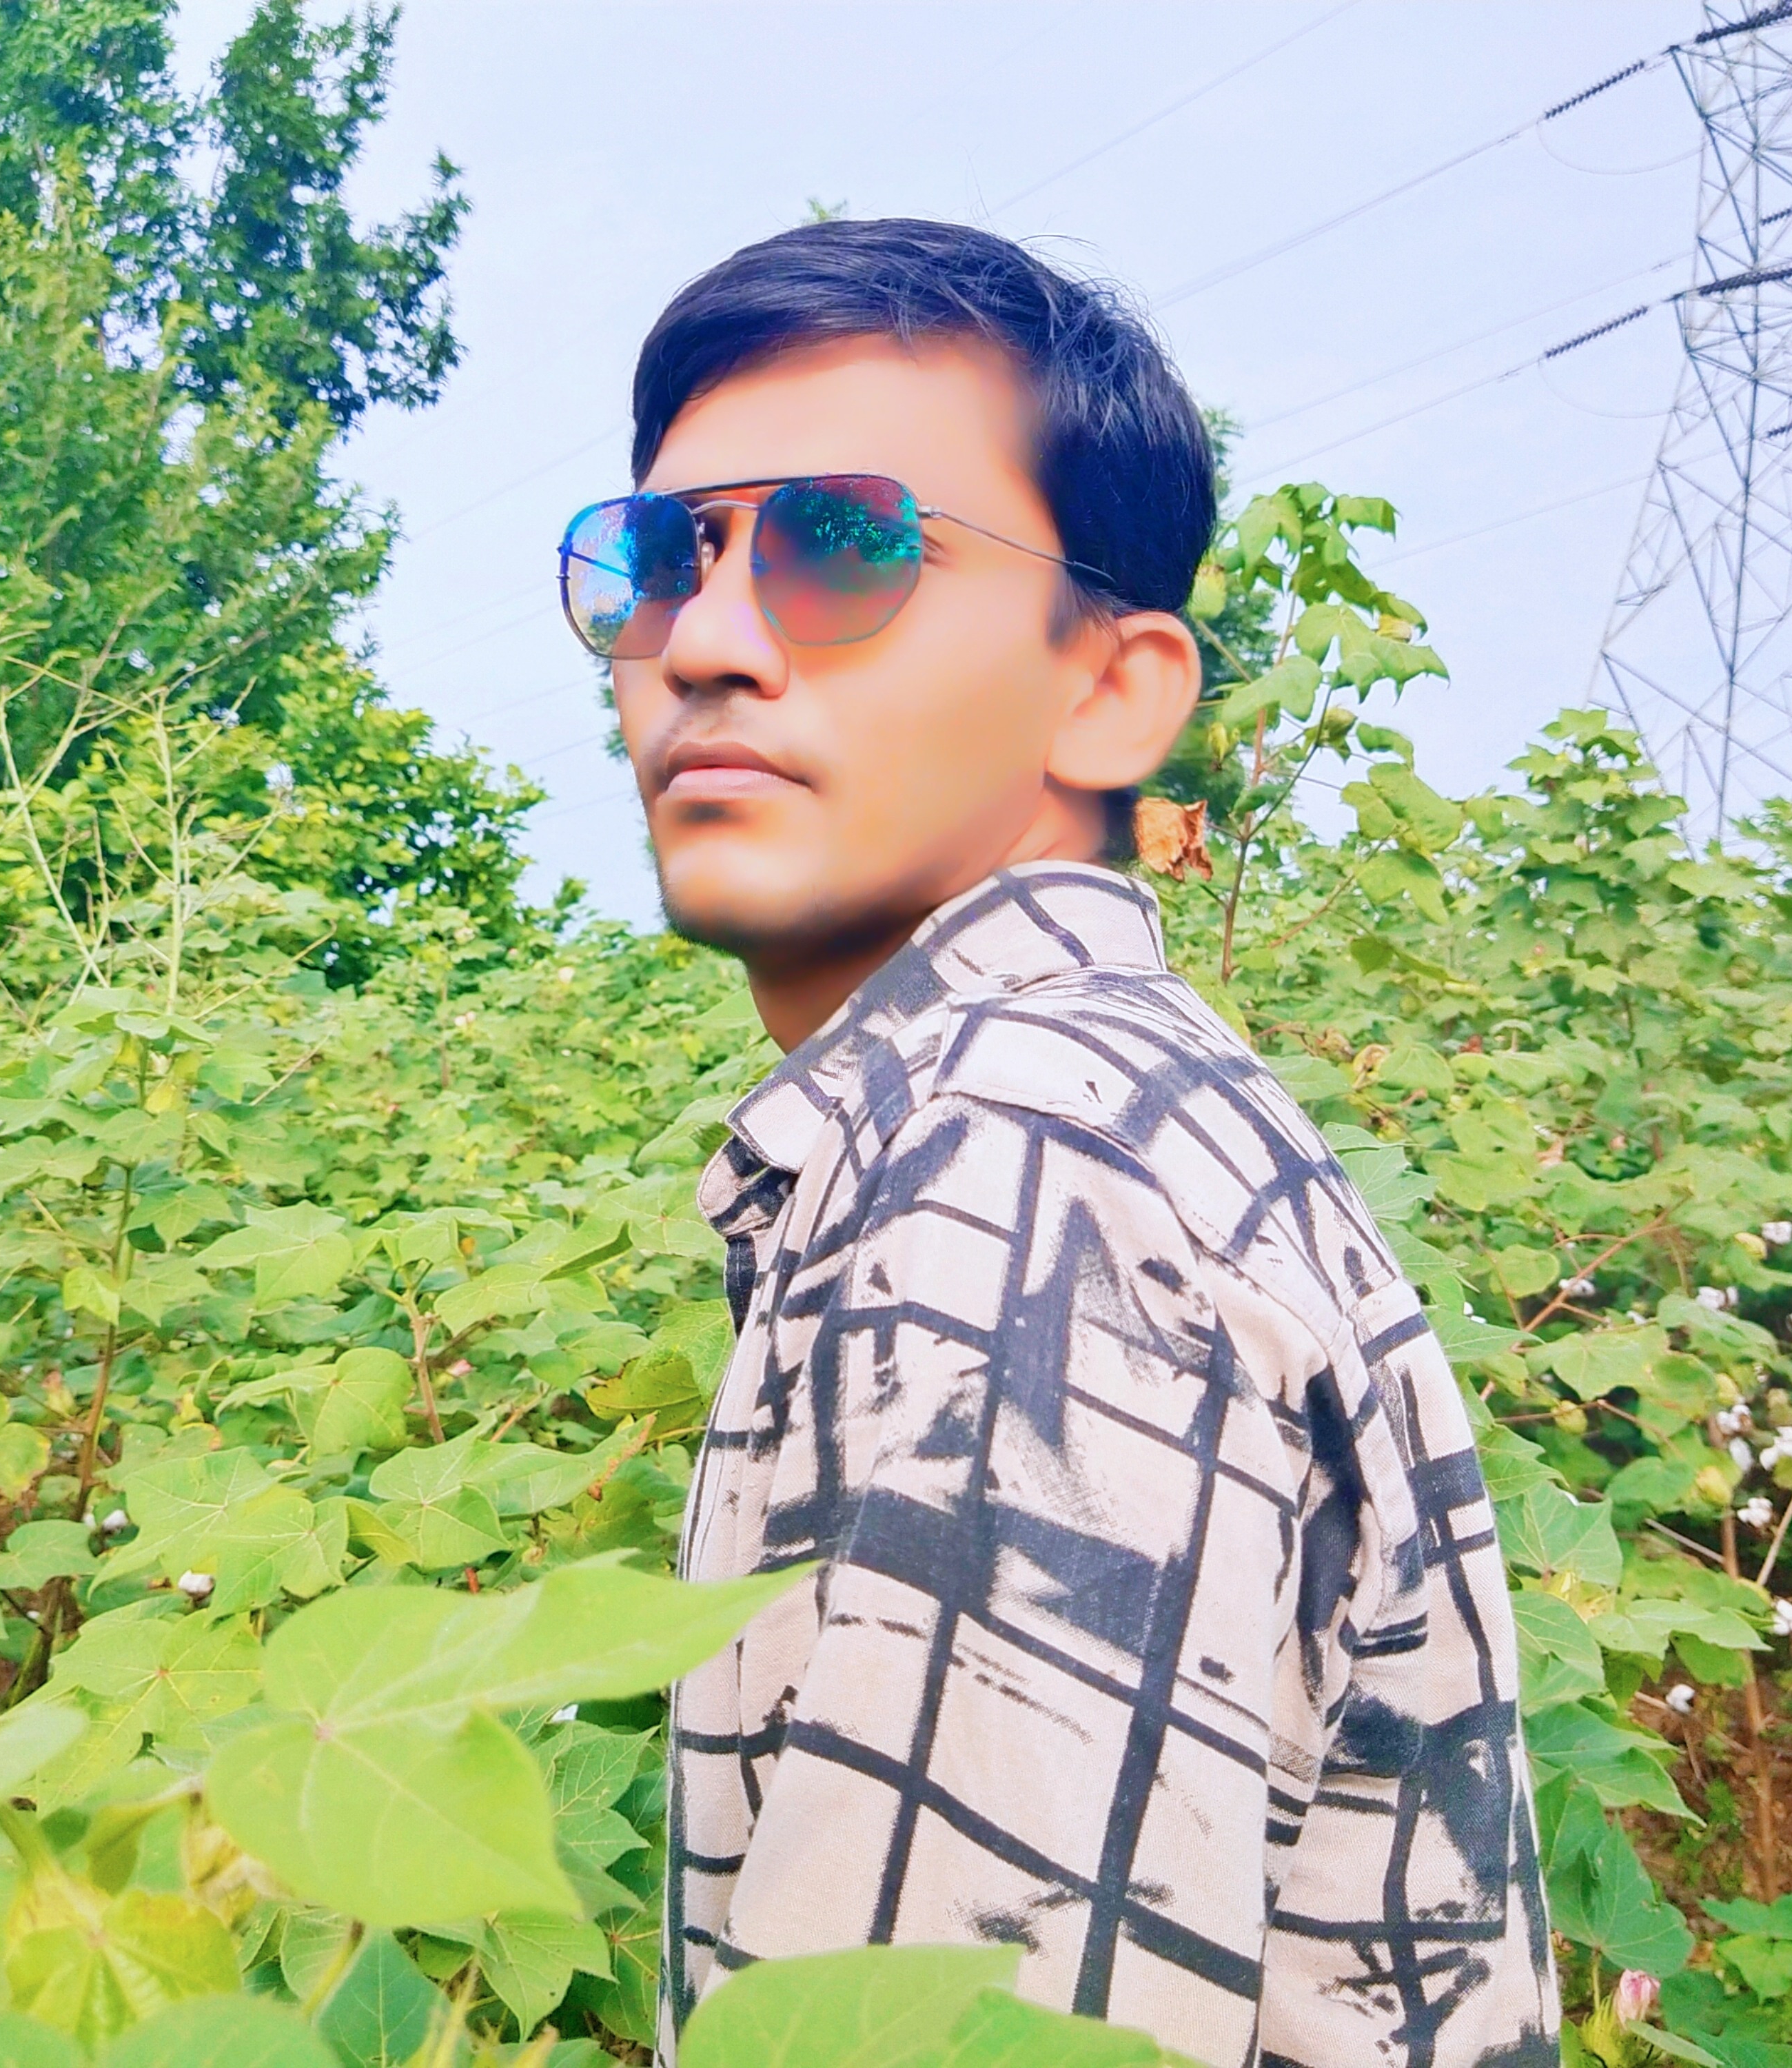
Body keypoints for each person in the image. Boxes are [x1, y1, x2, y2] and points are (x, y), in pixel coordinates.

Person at [559, 216, 1558, 2068]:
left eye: (843, 546)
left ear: (1109, 690)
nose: (703, 640)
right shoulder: (1085, 1104)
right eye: (661, 556)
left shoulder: (1023, 1171)